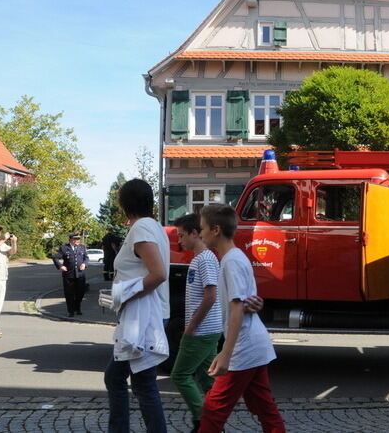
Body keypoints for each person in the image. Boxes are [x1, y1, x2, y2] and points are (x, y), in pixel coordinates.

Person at [171, 213, 264, 432]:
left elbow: (211, 296)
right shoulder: (200, 259)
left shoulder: (206, 259)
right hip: (207, 328)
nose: (179, 240)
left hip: (202, 329)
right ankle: (215, 420)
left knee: (180, 374)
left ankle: (203, 419)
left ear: (196, 234)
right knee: (206, 377)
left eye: (182, 235)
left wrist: (192, 326)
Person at [198, 204, 284, 433]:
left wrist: (225, 353)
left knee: (213, 408)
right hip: (253, 343)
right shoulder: (235, 258)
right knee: (264, 408)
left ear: (215, 230)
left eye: (202, 228)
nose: (200, 233)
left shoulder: (231, 261)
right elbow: (245, 301)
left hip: (244, 346)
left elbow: (236, 307)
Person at [104, 179, 170, 433]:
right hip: (148, 314)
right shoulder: (153, 226)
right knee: (134, 380)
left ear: (124, 203)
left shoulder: (142, 229)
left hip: (143, 316)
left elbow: (158, 274)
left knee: (130, 381)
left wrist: (124, 295)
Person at [52, 233, 89, 317]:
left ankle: (77, 307)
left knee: (80, 293)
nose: (78, 241)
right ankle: (70, 310)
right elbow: (55, 257)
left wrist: (84, 264)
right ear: (71, 240)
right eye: (76, 239)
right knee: (69, 293)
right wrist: (60, 266)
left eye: (79, 239)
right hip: (69, 275)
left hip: (80, 274)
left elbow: (86, 258)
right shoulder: (64, 248)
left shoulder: (82, 247)